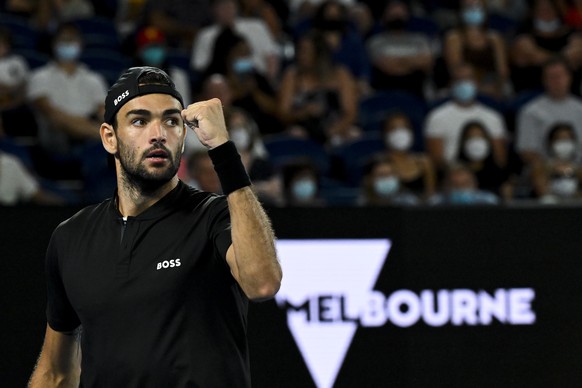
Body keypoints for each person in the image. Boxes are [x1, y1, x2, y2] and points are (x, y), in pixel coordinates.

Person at [28, 66, 282, 387]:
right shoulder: (71, 237)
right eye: (139, 121)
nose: (158, 133)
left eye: (171, 121)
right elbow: (56, 373)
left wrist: (222, 149)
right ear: (110, 138)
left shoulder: (215, 215)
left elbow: (262, 283)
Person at [26, 22, 108, 179]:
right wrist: (89, 128)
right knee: (56, 121)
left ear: (81, 44)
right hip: (56, 136)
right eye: (64, 40)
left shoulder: (93, 78)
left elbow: (103, 112)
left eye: (72, 40)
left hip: (89, 136)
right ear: (54, 44)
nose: (68, 44)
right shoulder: (39, 76)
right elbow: (49, 111)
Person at [278, 30, 359, 146]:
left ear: (319, 54)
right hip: (304, 129)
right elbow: (282, 113)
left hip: (336, 128)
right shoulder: (292, 75)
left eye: (305, 51)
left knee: (353, 135)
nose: (300, 55)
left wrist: (333, 131)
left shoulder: (341, 74)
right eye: (299, 50)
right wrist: (302, 113)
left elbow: (350, 113)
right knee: (295, 135)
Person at [424, 62, 507, 171]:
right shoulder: (437, 116)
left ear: (476, 83)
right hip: (451, 174)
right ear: (451, 84)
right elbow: (436, 159)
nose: (464, 83)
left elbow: (500, 158)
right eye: (459, 79)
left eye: (468, 78)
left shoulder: (493, 117)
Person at [191, 0, 280, 83]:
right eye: (222, 7)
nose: (227, 10)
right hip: (224, 84)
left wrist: (268, 82)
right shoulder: (205, 35)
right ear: (214, 10)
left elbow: (271, 57)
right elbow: (200, 67)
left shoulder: (256, 26)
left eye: (230, 5)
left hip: (258, 81)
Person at [515, 56, 582, 165]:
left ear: (569, 78)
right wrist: (551, 168)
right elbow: (526, 150)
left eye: (560, 76)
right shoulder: (530, 111)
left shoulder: (580, 109)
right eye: (551, 77)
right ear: (544, 81)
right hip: (545, 169)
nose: (556, 81)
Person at [442, 0, 510, 99]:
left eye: (477, 6)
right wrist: (481, 89)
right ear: (461, 11)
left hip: (493, 87)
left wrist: (496, 88)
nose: (473, 10)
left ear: (484, 10)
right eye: (469, 7)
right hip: (463, 87)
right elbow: (456, 70)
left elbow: (503, 71)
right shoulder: (453, 38)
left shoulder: (495, 39)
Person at [365, 0, 433, 98]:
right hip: (386, 87)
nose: (397, 15)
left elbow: (426, 63)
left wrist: (398, 62)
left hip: (416, 88)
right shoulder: (376, 41)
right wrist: (412, 62)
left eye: (400, 12)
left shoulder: (420, 40)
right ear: (385, 16)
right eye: (393, 12)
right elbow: (386, 65)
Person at [381, 111, 436, 199]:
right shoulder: (381, 164)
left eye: (405, 128)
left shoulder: (424, 162)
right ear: (385, 134)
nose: (400, 133)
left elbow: (430, 196)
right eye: (394, 128)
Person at [456, 120, 510, 196]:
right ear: (463, 142)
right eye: (471, 137)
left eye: (480, 137)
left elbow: (506, 202)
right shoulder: (455, 173)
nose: (476, 142)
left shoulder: (499, 173)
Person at [531, 122, 582, 202]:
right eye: (560, 139)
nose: (564, 143)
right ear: (551, 143)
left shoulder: (579, 169)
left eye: (568, 139)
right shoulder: (540, 168)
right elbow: (542, 191)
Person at [428, 163, 500, 205]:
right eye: (455, 184)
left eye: (465, 184)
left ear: (475, 184)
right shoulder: (435, 202)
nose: (460, 188)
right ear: (445, 185)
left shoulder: (489, 201)